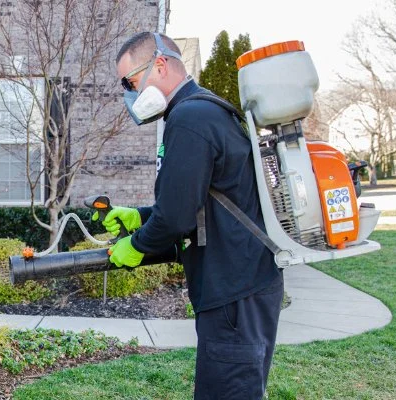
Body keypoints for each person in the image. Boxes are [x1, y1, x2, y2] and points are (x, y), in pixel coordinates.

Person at [102, 32, 284, 399]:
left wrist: (135, 246)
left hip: (234, 291)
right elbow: (199, 201)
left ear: (159, 65)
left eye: (131, 83)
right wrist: (139, 217)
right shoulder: (205, 110)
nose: (131, 94)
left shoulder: (189, 118)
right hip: (244, 284)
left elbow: (176, 218)